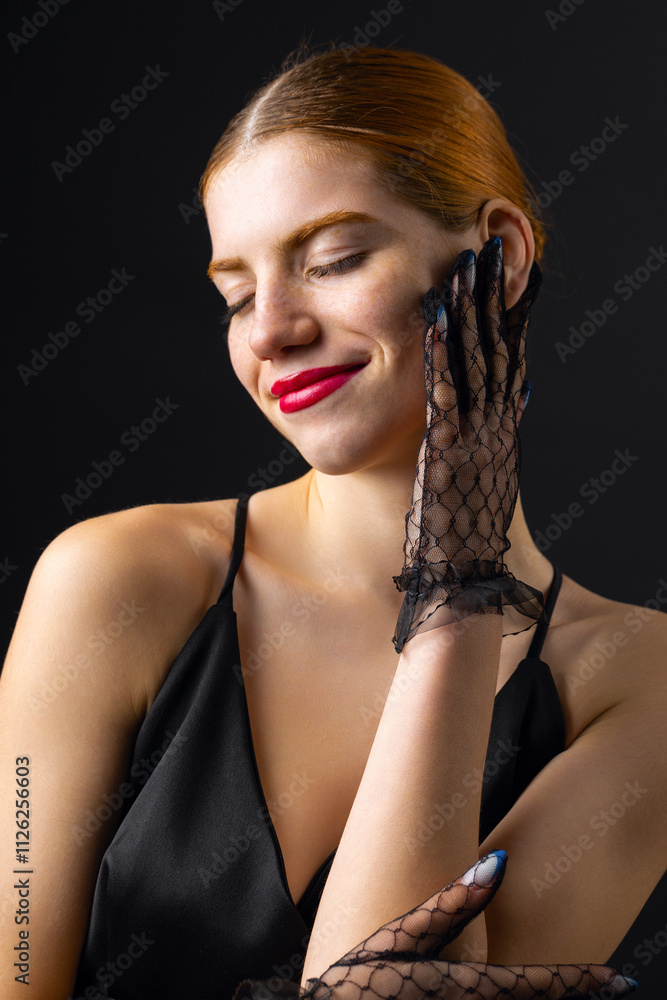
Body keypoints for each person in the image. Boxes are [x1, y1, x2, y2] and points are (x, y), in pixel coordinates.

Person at [0, 43, 663, 1000]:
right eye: (235, 295)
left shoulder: (641, 685)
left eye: (333, 260)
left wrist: (459, 590)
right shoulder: (117, 578)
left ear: (500, 256)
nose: (269, 329)